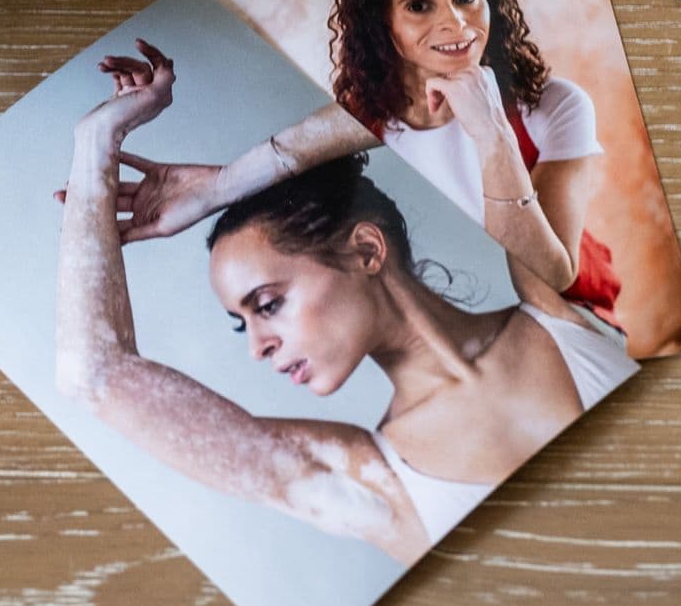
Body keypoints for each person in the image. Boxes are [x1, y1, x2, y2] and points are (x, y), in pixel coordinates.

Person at [55, 40, 634, 564]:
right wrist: (95, 144)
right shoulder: (370, 483)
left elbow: (420, 94)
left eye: (267, 304)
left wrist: (230, 182)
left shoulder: (549, 293)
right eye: (242, 324)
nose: (259, 347)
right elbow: (94, 373)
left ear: (365, 249)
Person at [89, 0, 625, 325]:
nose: (456, 23)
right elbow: (292, 156)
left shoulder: (552, 104)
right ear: (382, 25)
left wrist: (492, 133)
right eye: (419, 5)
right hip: (483, 339)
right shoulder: (366, 122)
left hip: (581, 326)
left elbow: (551, 278)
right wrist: (212, 189)